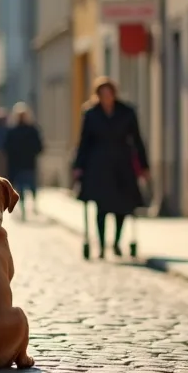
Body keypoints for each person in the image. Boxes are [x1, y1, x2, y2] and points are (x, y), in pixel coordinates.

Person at [73, 78, 149, 258]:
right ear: (98, 95)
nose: (107, 97)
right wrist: (78, 165)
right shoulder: (91, 113)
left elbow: (137, 140)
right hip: (98, 166)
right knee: (101, 208)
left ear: (114, 93)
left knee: (122, 207)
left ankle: (116, 242)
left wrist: (144, 166)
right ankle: (100, 245)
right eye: (103, 93)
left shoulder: (127, 112)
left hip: (122, 164)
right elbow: (84, 142)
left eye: (109, 93)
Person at [5, 102, 44, 219]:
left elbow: (6, 147)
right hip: (26, 163)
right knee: (27, 186)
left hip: (21, 164)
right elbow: (39, 147)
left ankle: (27, 206)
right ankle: (30, 205)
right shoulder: (30, 130)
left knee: (25, 186)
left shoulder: (15, 131)